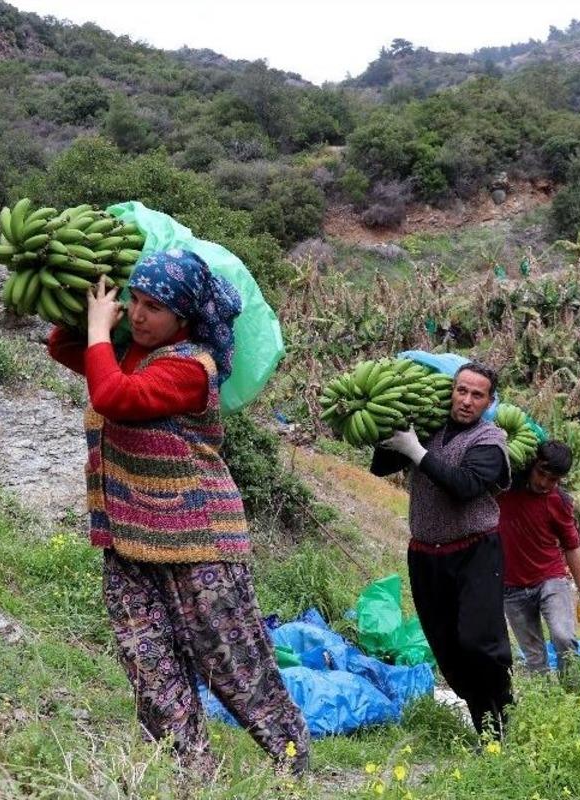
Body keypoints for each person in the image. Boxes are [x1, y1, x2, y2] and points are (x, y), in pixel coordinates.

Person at [46, 249, 310, 777]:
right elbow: (63, 347)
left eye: (154, 308)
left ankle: (293, 759)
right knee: (148, 662)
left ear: (184, 318)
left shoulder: (191, 367)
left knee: (231, 662)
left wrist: (103, 333)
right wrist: (89, 315)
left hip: (199, 541)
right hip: (128, 538)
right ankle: (191, 772)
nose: (139, 315)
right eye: (135, 301)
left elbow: (113, 395)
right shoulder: (131, 352)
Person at [370, 362, 513, 737]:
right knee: (447, 647)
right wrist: (391, 434)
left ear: (489, 402)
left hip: (475, 552)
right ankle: (481, 716)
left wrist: (417, 452)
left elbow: (465, 485)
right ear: (452, 391)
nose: (466, 401)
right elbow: (378, 469)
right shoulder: (431, 430)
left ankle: (501, 717)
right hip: (426, 555)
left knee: (479, 640)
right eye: (461, 390)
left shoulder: (490, 441)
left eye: (476, 395)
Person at [498, 440, 580, 676]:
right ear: (532, 465)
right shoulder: (504, 488)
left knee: (564, 638)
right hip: (511, 588)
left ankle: (572, 695)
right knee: (534, 658)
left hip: (549, 579)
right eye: (541, 473)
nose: (543, 483)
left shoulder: (559, 502)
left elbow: (571, 547)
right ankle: (547, 703)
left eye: (552, 479)